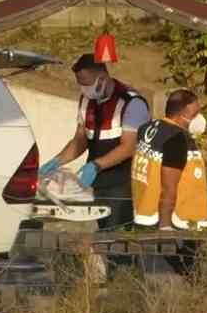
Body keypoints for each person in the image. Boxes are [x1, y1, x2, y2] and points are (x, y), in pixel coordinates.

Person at [38, 53, 150, 230]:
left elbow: (130, 146)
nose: (84, 89)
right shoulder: (87, 101)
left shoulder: (131, 102)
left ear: (103, 78)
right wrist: (56, 161)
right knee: (104, 231)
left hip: (124, 183)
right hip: (98, 182)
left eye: (87, 83)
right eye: (81, 84)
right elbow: (80, 140)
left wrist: (96, 165)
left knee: (118, 233)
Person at [132, 89, 207, 233]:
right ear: (183, 113)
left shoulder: (146, 128)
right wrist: (165, 226)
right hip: (179, 223)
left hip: (145, 213)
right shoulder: (176, 138)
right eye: (195, 114)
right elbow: (169, 187)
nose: (199, 118)